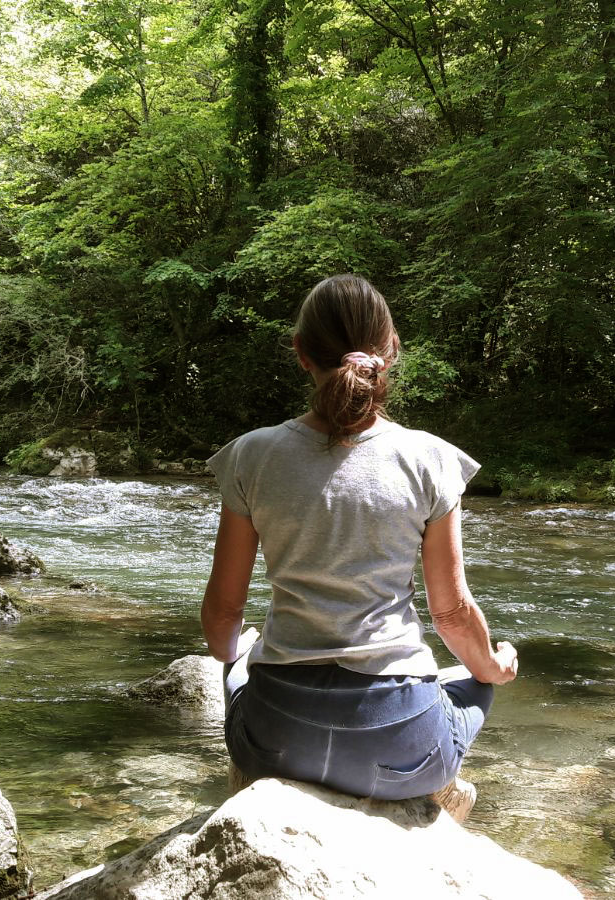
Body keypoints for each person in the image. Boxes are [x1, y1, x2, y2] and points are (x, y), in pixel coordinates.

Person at [200, 273, 518, 821]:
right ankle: (443, 797)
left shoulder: (250, 455)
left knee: (235, 669)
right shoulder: (431, 459)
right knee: (482, 678)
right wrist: (494, 666)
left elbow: (223, 614)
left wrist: (235, 659)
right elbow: (451, 613)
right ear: (390, 352)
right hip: (400, 750)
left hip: (277, 740)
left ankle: (251, 793)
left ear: (301, 354)